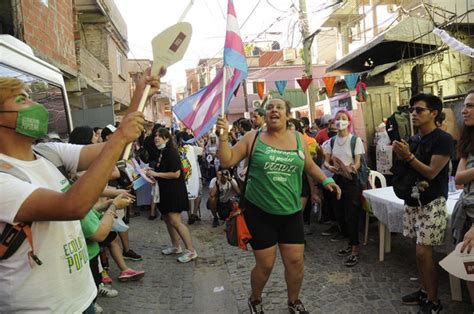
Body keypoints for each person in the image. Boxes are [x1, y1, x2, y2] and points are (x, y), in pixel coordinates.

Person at [0, 73, 156, 312]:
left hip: (83, 299)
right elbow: (73, 206)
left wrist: (139, 95)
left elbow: (110, 149)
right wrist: (120, 137)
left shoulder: (47, 153)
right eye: (22, 99)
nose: (36, 105)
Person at [216, 98, 341, 314]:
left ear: (287, 115)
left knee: (295, 263)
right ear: (266, 115)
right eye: (270, 108)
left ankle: (293, 302)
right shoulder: (252, 137)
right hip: (260, 213)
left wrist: (327, 181)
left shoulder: (299, 139)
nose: (274, 110)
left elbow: (309, 165)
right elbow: (227, 160)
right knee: (265, 266)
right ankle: (255, 300)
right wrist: (223, 139)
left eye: (279, 107)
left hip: (291, 212)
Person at [392, 93, 454, 314]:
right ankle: (425, 290)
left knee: (423, 252)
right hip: (413, 200)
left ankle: (434, 301)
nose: (413, 114)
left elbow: (431, 172)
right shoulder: (414, 138)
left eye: (419, 110)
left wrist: (408, 157)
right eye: (412, 110)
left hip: (433, 202)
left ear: (434, 113)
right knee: (418, 252)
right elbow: (404, 169)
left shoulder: (443, 139)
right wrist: (399, 155)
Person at [145, 128, 198, 263]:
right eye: (155, 135)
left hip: (174, 191)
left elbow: (176, 174)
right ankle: (176, 246)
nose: (156, 138)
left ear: (167, 138)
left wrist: (156, 174)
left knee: (175, 221)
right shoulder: (161, 152)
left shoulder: (171, 152)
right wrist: (151, 172)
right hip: (165, 191)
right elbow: (162, 169)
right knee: (168, 220)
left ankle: (191, 251)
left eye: (160, 136)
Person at [323, 109, 364, 267]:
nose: (340, 121)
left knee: (351, 214)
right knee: (339, 213)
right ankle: (349, 242)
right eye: (337, 119)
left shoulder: (355, 140)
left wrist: (351, 167)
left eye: (343, 118)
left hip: (351, 180)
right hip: (337, 179)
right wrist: (330, 167)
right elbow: (326, 161)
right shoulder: (331, 141)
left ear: (349, 121)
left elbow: (358, 162)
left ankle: (355, 249)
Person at [453, 90, 474, 303]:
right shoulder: (468, 141)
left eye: (471, 106)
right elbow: (459, 176)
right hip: (467, 213)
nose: (464, 110)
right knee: (470, 272)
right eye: (465, 105)